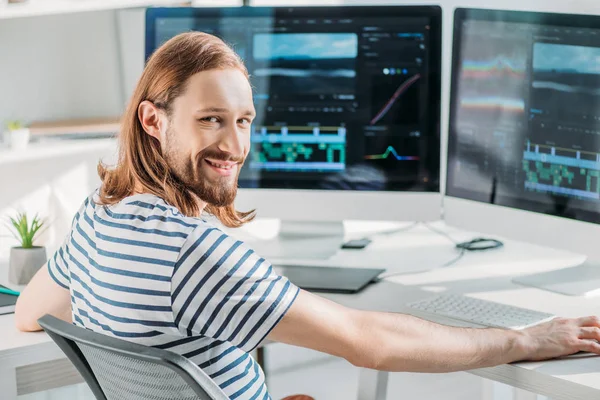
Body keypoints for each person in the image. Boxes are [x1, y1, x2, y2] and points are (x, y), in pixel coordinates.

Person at [14, 32, 600, 400]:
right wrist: (522, 338)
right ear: (152, 120)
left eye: (244, 121)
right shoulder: (195, 253)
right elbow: (369, 343)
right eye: (210, 119)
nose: (235, 146)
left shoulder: (101, 214)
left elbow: (32, 313)